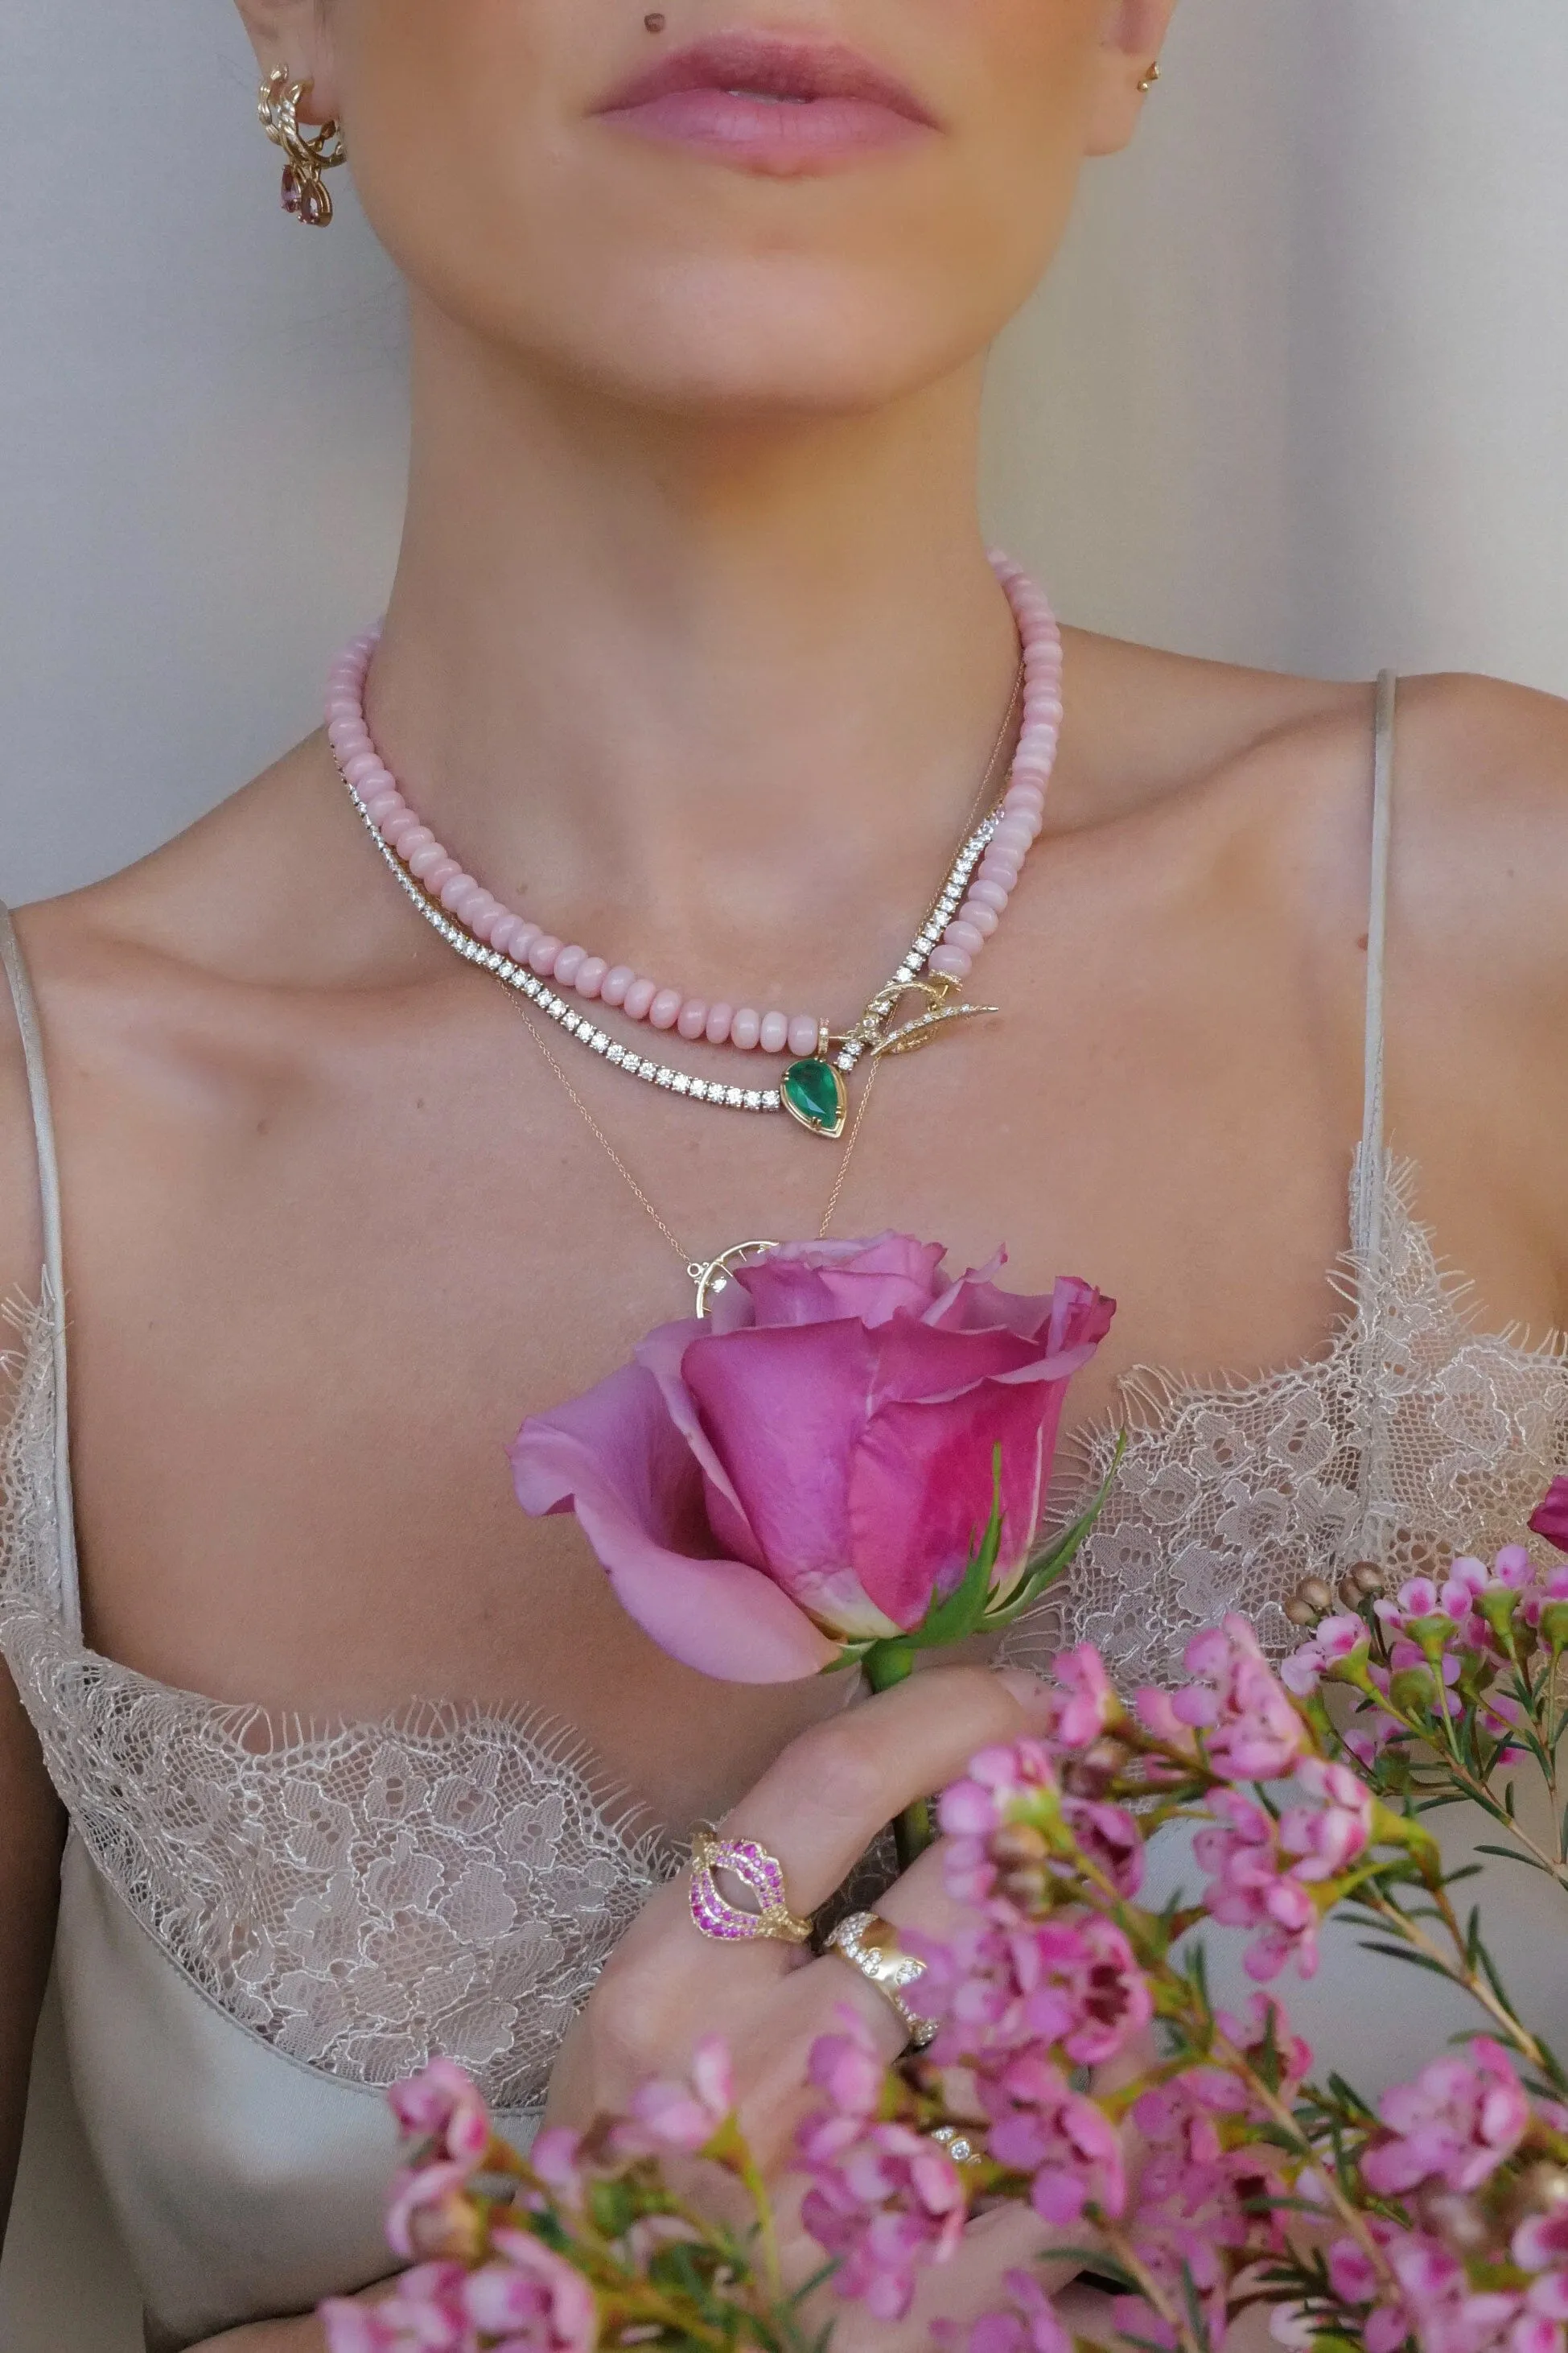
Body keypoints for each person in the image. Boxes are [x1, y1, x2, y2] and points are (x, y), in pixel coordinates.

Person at [3, 2, 1567, 2345]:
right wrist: (612, 2298)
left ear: (1130, 24)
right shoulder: (50, 1179)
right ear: (294, 11)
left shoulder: (1511, 922)